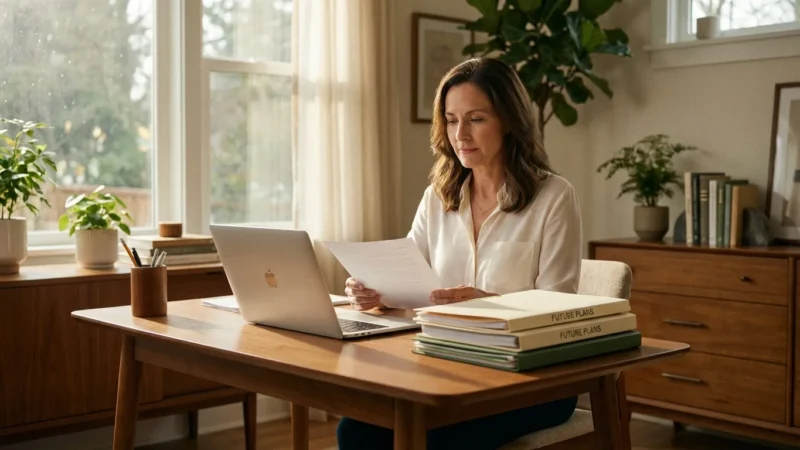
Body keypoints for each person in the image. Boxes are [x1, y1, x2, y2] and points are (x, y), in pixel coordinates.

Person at [337, 57, 583, 449]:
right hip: (449, 364)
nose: (460, 135)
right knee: (355, 429)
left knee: (434, 437)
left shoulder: (553, 197)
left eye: (476, 119)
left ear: (509, 121)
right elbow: (407, 278)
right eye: (451, 120)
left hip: (534, 378)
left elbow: (558, 309)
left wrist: (490, 304)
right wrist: (373, 291)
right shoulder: (437, 198)